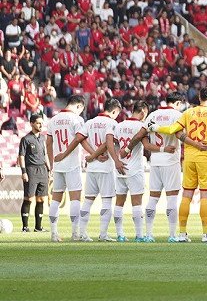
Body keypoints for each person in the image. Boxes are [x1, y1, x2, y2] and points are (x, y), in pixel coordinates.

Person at [154, 87, 207, 243]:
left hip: (189, 158)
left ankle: (182, 234)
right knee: (206, 196)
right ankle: (206, 234)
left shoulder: (188, 112)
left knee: (187, 195)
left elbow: (172, 129)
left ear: (199, 98)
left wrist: (157, 128)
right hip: (206, 157)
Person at [126, 92, 199, 242]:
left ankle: (148, 234)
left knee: (153, 198)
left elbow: (139, 135)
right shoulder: (177, 115)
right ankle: (172, 235)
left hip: (155, 161)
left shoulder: (153, 115)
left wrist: (127, 149)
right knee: (171, 198)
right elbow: (179, 135)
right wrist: (196, 144)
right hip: (170, 161)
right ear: (178, 103)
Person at [47, 95, 95, 242]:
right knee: (75, 199)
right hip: (72, 163)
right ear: (79, 106)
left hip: (58, 165)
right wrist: (94, 154)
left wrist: (52, 164)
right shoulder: (77, 119)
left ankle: (54, 234)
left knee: (55, 199)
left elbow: (48, 143)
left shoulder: (53, 119)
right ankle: (75, 233)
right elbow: (81, 140)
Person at [80, 99, 122, 241]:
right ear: (115, 110)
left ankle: (82, 233)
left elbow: (81, 139)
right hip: (106, 167)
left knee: (87, 201)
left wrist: (92, 155)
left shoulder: (90, 122)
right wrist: (97, 155)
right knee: (106, 201)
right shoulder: (112, 123)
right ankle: (103, 234)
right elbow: (108, 143)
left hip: (92, 168)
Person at [108, 101, 149, 242]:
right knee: (137, 202)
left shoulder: (119, 125)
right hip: (134, 169)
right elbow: (146, 145)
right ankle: (139, 235)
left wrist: (116, 161)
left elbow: (112, 145)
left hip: (120, 169)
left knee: (119, 202)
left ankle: (120, 234)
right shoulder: (141, 126)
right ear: (143, 111)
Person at [18, 113, 49, 233]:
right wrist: (24, 171)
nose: (41, 125)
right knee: (29, 198)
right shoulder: (26, 139)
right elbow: (21, 156)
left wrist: (49, 168)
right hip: (31, 170)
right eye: (38, 123)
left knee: (41, 199)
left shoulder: (43, 138)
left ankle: (38, 227)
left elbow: (45, 154)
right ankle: (25, 227)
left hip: (42, 170)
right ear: (31, 124)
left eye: (42, 123)